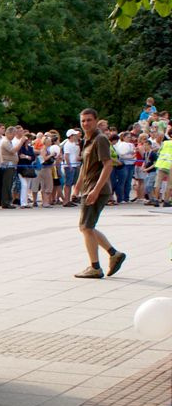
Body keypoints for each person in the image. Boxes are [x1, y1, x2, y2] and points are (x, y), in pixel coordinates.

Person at [72, 108, 126, 279]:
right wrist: (78, 184)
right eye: (83, 121)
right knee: (88, 227)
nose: (86, 123)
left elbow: (108, 165)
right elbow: (85, 166)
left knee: (85, 227)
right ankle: (114, 254)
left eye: (89, 120)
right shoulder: (86, 140)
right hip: (89, 188)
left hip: (97, 189)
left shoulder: (100, 139)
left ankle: (95, 267)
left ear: (96, 121)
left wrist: (96, 190)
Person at [62, 128, 81, 206]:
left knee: (73, 183)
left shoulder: (75, 143)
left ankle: (69, 199)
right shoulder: (67, 144)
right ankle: (66, 200)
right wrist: (69, 165)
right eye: (74, 135)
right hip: (70, 166)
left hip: (75, 165)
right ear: (71, 136)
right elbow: (66, 156)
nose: (76, 136)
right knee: (68, 183)